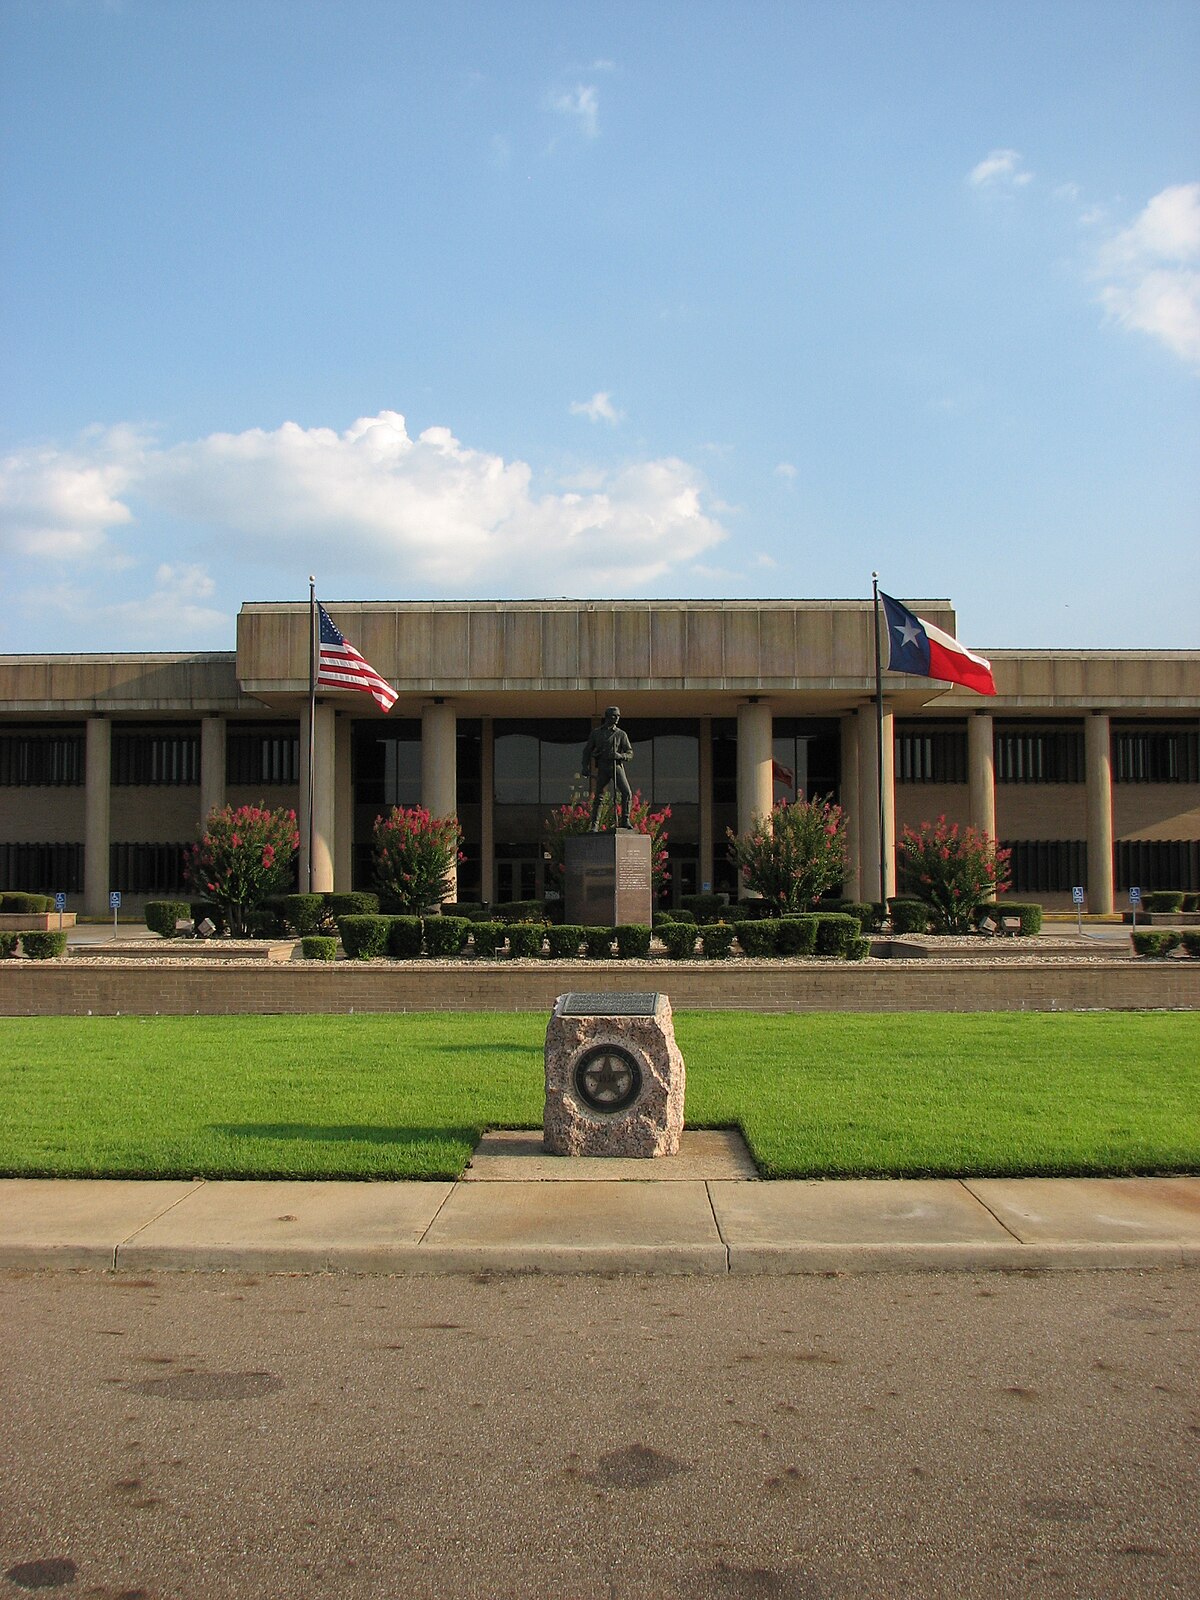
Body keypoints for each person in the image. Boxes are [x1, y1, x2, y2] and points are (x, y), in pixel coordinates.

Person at [580, 706, 634, 831]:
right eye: (614, 715)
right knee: (599, 796)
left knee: (626, 792)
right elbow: (587, 750)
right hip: (603, 766)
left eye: (618, 716)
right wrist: (585, 766)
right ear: (608, 716)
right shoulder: (596, 733)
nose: (617, 718)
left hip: (617, 766)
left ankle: (625, 820)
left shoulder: (621, 734)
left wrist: (620, 755)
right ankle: (595, 824)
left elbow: (630, 753)